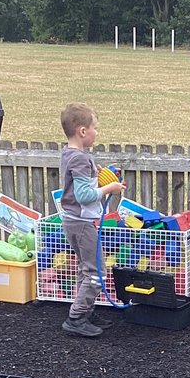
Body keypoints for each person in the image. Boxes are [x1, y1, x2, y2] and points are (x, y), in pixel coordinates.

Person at [59, 103, 125, 338]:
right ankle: (76, 318)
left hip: (73, 221)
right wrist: (110, 188)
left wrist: (94, 176)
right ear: (82, 131)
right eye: (94, 128)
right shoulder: (80, 159)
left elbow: (78, 187)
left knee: (85, 269)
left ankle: (85, 310)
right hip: (81, 223)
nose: (97, 132)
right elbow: (83, 195)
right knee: (97, 271)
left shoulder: (69, 154)